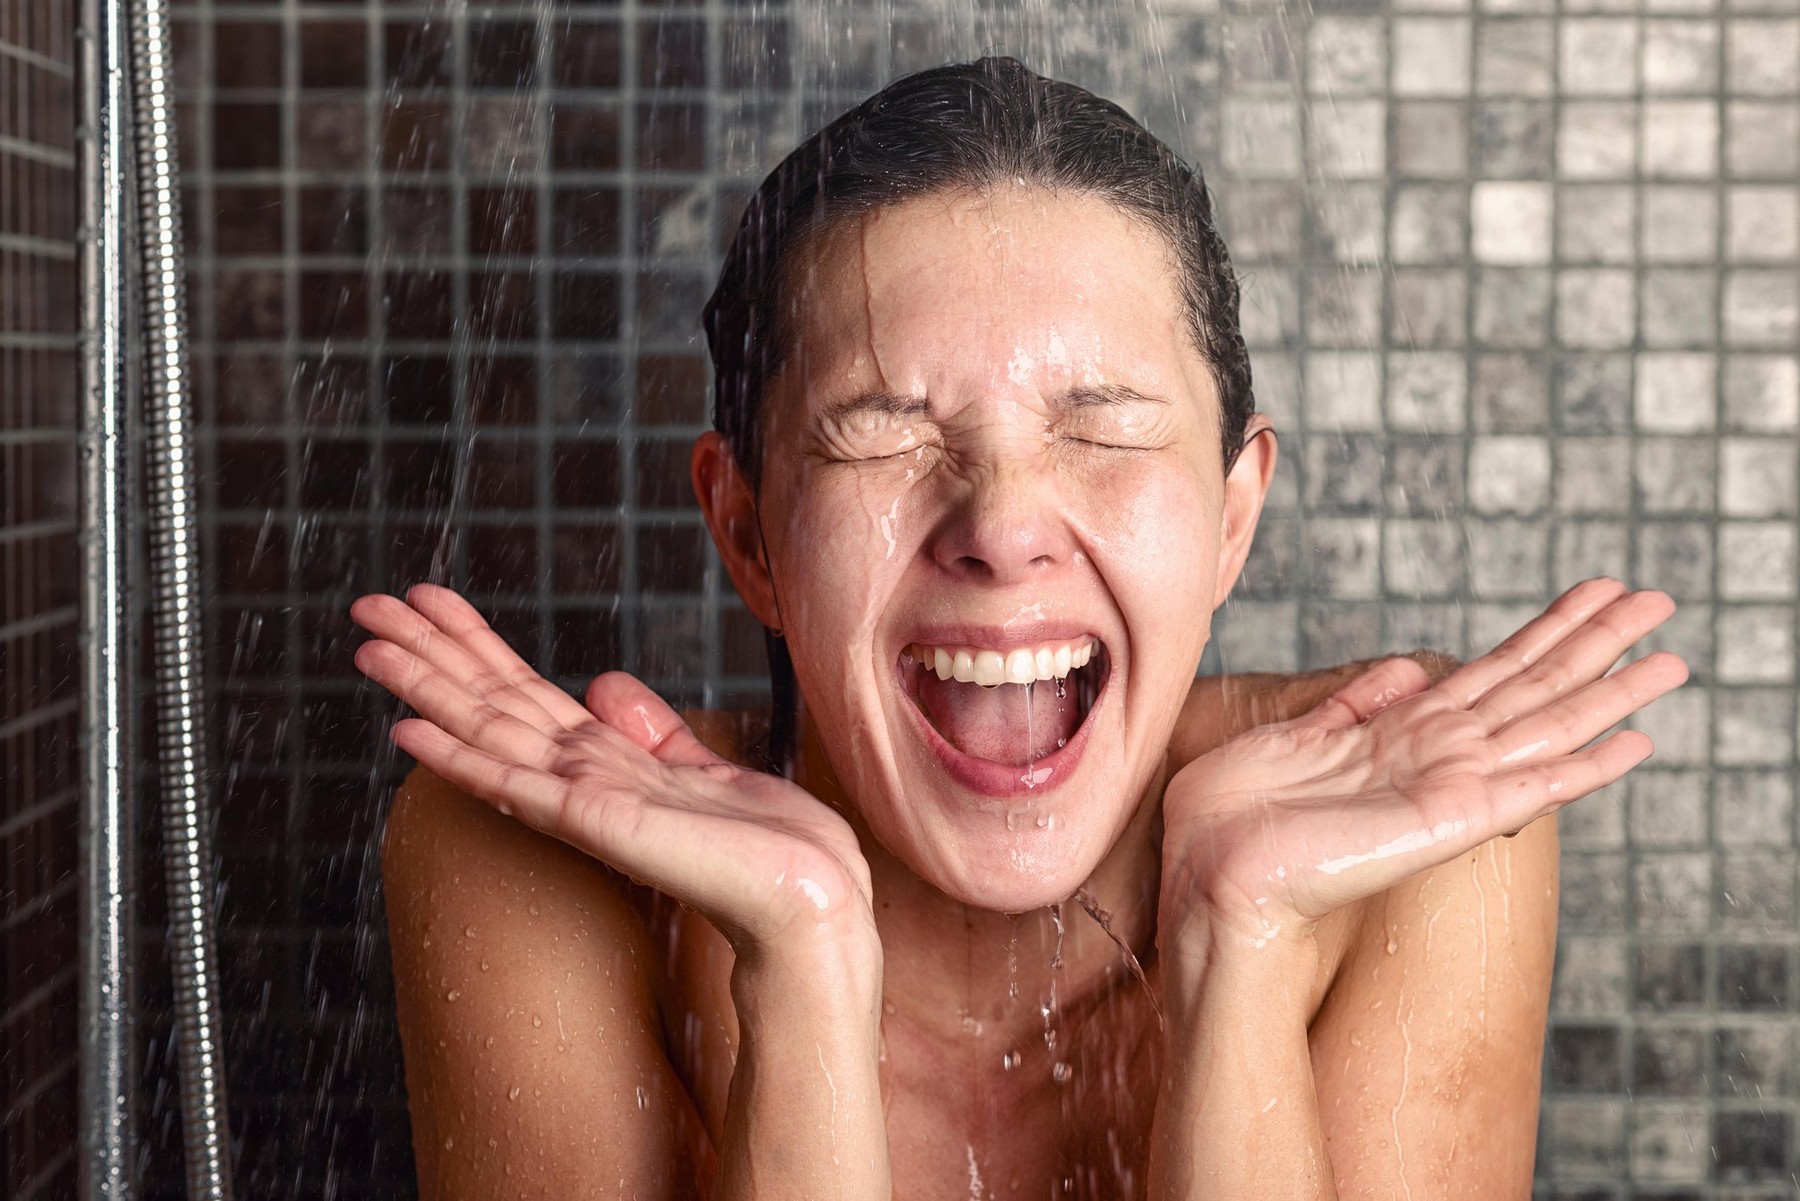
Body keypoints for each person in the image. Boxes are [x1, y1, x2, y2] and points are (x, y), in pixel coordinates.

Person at [349, 56, 1687, 1198]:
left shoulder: (1422, 818)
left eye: (1102, 428)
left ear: (1234, 517)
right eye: (884, 435)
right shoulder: (541, 851)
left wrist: (1246, 942)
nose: (1002, 519)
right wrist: (802, 962)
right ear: (749, 533)